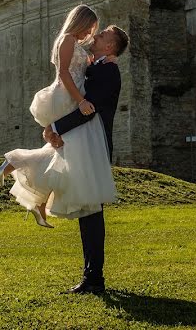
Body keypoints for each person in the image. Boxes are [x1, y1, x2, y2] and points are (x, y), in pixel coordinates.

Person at [0, 5, 116, 228]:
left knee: (61, 152)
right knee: (64, 150)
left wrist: (105, 59)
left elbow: (85, 69)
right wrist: (80, 101)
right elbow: (63, 73)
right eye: (89, 27)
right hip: (68, 96)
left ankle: (35, 195)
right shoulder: (68, 40)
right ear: (80, 22)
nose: (90, 33)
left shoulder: (76, 44)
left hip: (75, 94)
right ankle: (15, 163)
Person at [44, 23, 129, 295]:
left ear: (109, 46)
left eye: (103, 34)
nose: (97, 35)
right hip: (85, 145)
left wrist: (54, 127)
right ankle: (91, 276)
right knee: (87, 211)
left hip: (95, 146)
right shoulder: (99, 67)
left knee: (91, 212)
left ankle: (94, 279)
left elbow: (87, 110)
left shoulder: (109, 71)